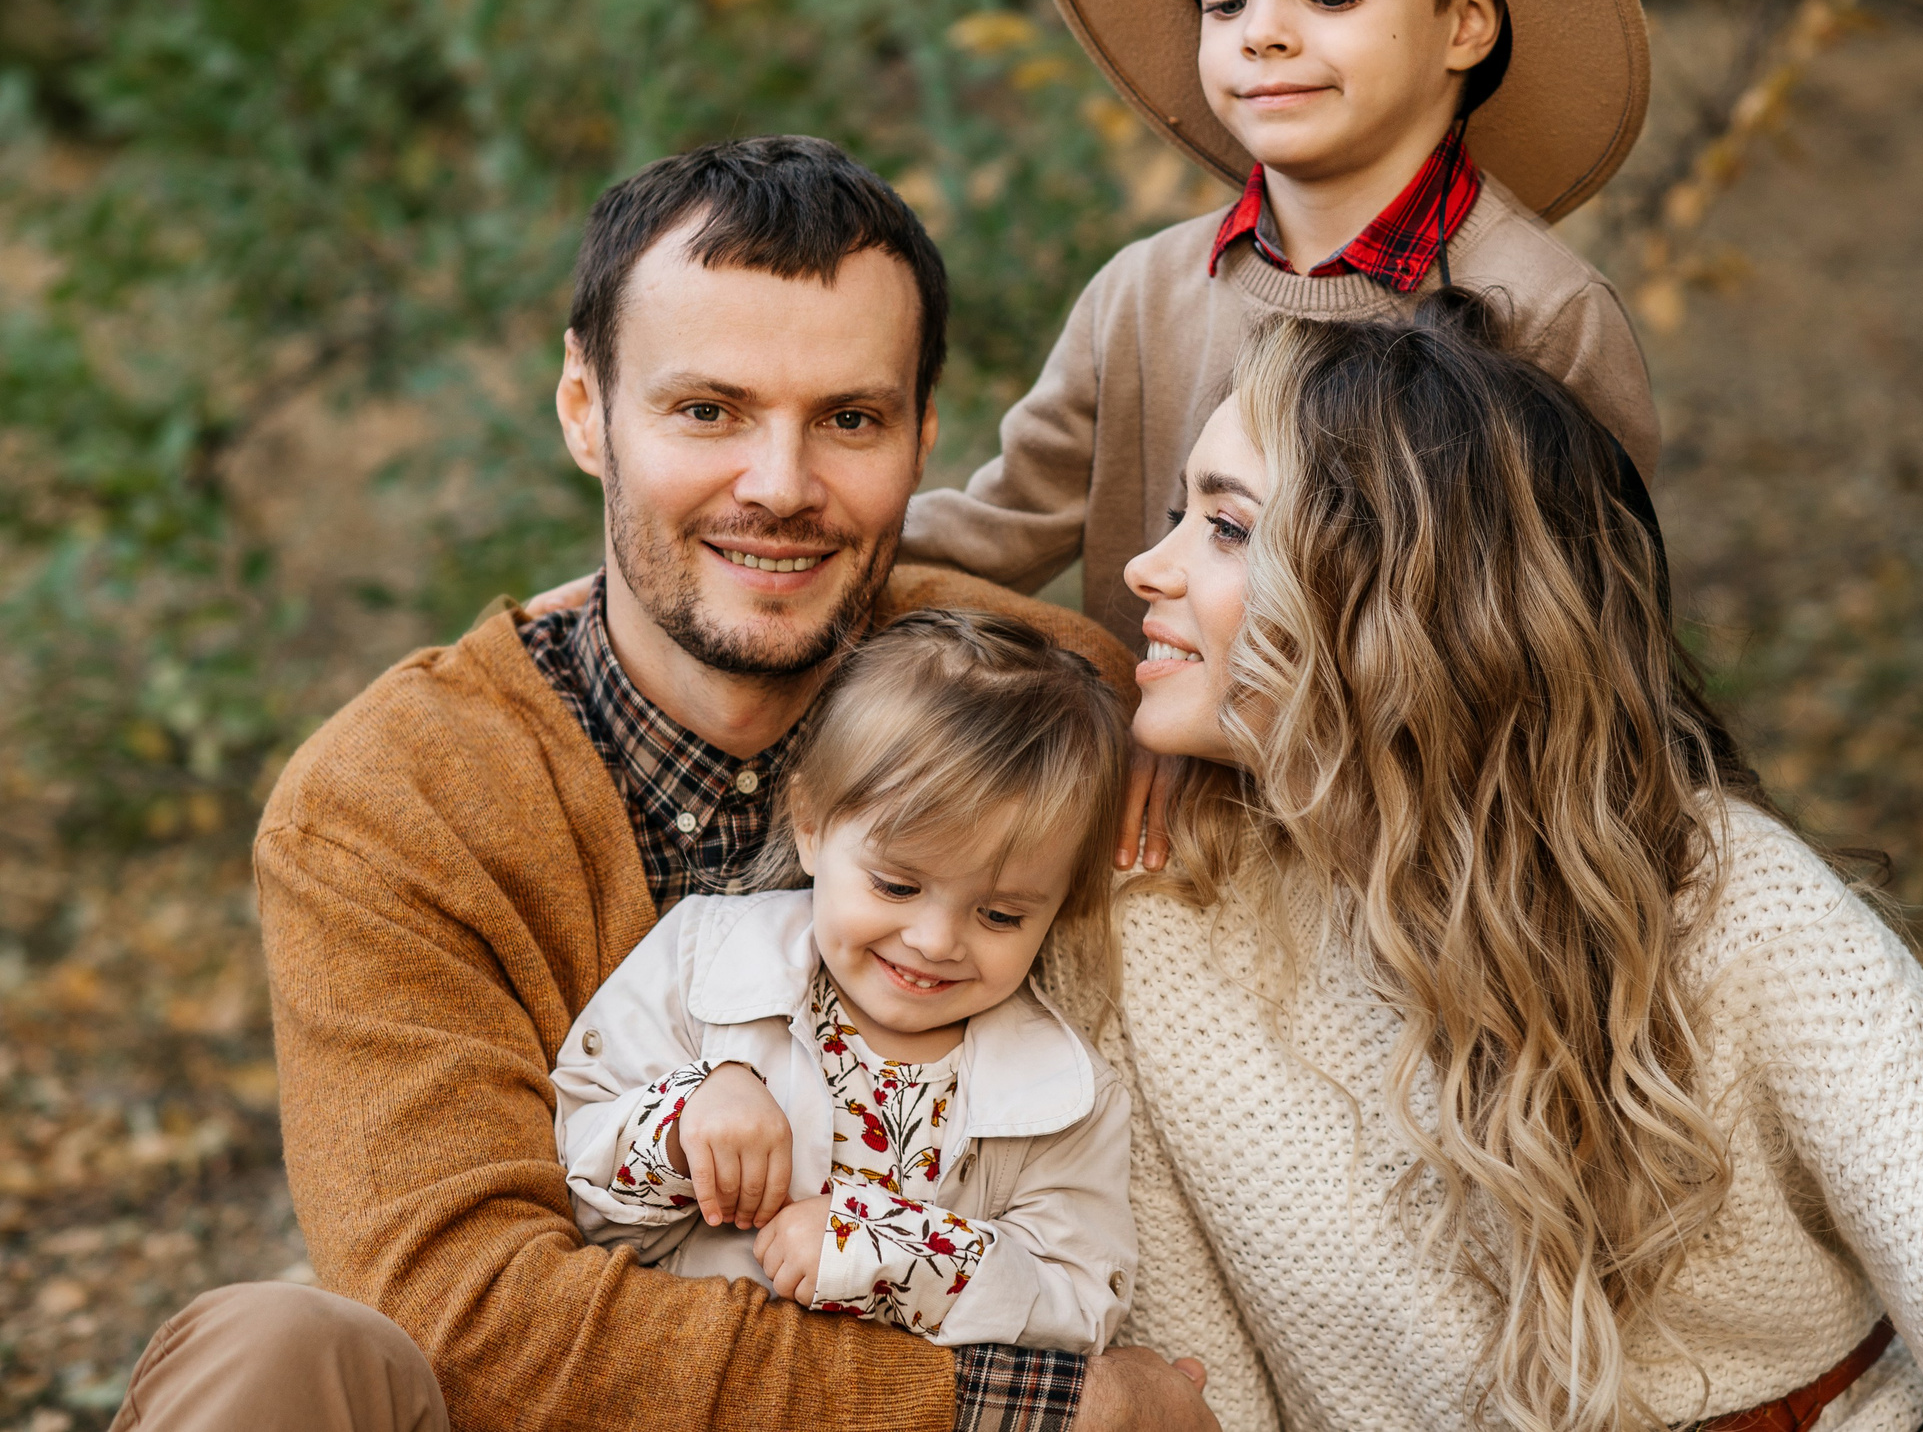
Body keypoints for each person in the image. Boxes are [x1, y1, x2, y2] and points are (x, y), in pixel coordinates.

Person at [108, 138, 1218, 1432]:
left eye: (849, 420)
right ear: (586, 409)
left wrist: (1169, 709)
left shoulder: (1049, 710)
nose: (781, 488)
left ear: (922, 433)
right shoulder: (390, 801)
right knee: (277, 1348)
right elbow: (465, 1321)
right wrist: (1028, 1409)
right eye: (707, 412)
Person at [1070, 294, 1923, 1432]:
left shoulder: (1722, 898)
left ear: (1395, 595)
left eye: (1224, 526)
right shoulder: (1151, 926)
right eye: (1180, 514)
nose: (1145, 567)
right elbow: (1204, 1394)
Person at [901, 0, 1661, 671]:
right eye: (1224, 2)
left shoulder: (1547, 314)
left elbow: (1586, 648)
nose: (1262, 34)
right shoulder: (1139, 297)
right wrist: (805, 545)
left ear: (1466, 22)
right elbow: (991, 533)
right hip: (1153, 768)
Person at [552, 609, 1155, 1364]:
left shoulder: (1062, 1094)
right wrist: (687, 1117)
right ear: (810, 824)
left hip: (909, 1408)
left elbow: (1080, 1303)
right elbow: (579, 1188)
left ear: (1060, 906)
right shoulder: (705, 962)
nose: (935, 942)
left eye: (1000, 914)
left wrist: (879, 1247)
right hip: (692, 1380)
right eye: (897, 886)